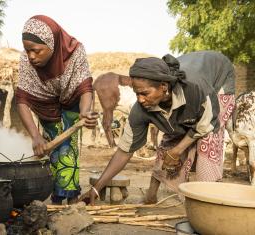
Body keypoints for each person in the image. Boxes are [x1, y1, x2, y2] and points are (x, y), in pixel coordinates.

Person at [80, 51, 235, 205]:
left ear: (163, 86)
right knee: (171, 133)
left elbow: (207, 123)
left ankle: (207, 200)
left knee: (208, 141)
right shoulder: (140, 110)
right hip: (191, 81)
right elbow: (124, 150)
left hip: (217, 78)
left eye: (145, 93)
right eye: (136, 94)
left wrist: (177, 150)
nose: (140, 100)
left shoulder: (195, 91)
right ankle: (151, 196)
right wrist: (96, 188)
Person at [16, 15, 98, 205]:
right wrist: (35, 136)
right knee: (52, 150)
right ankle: (58, 196)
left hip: (73, 103)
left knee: (68, 149)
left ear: (52, 44)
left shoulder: (76, 51)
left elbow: (85, 86)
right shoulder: (25, 60)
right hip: (46, 106)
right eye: (27, 50)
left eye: (36, 51)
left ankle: (70, 198)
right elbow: (22, 99)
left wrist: (85, 111)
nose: (31, 56)